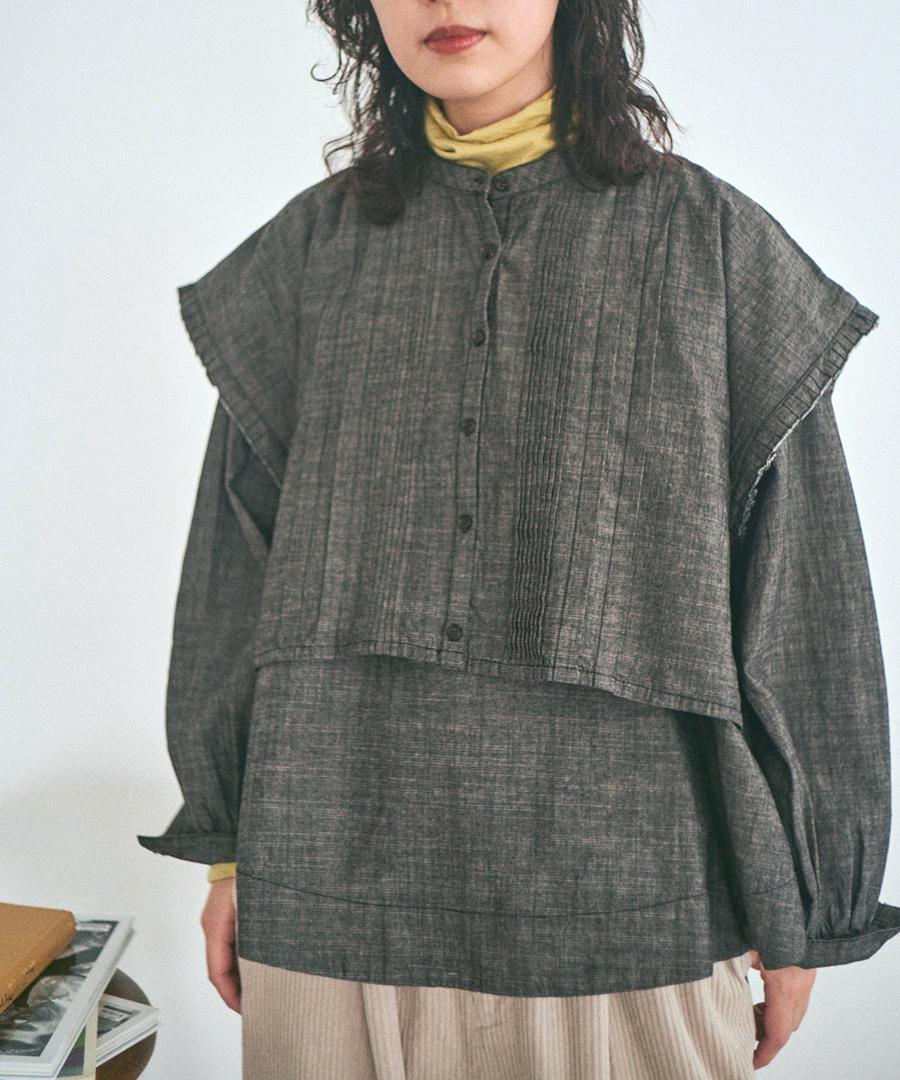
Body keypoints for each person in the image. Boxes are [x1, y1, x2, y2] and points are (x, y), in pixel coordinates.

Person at [137, 1, 899, 1076]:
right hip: (328, 886)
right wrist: (226, 857)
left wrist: (808, 910)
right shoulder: (311, 254)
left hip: (626, 906)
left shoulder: (713, 247)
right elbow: (232, 574)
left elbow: (804, 605)